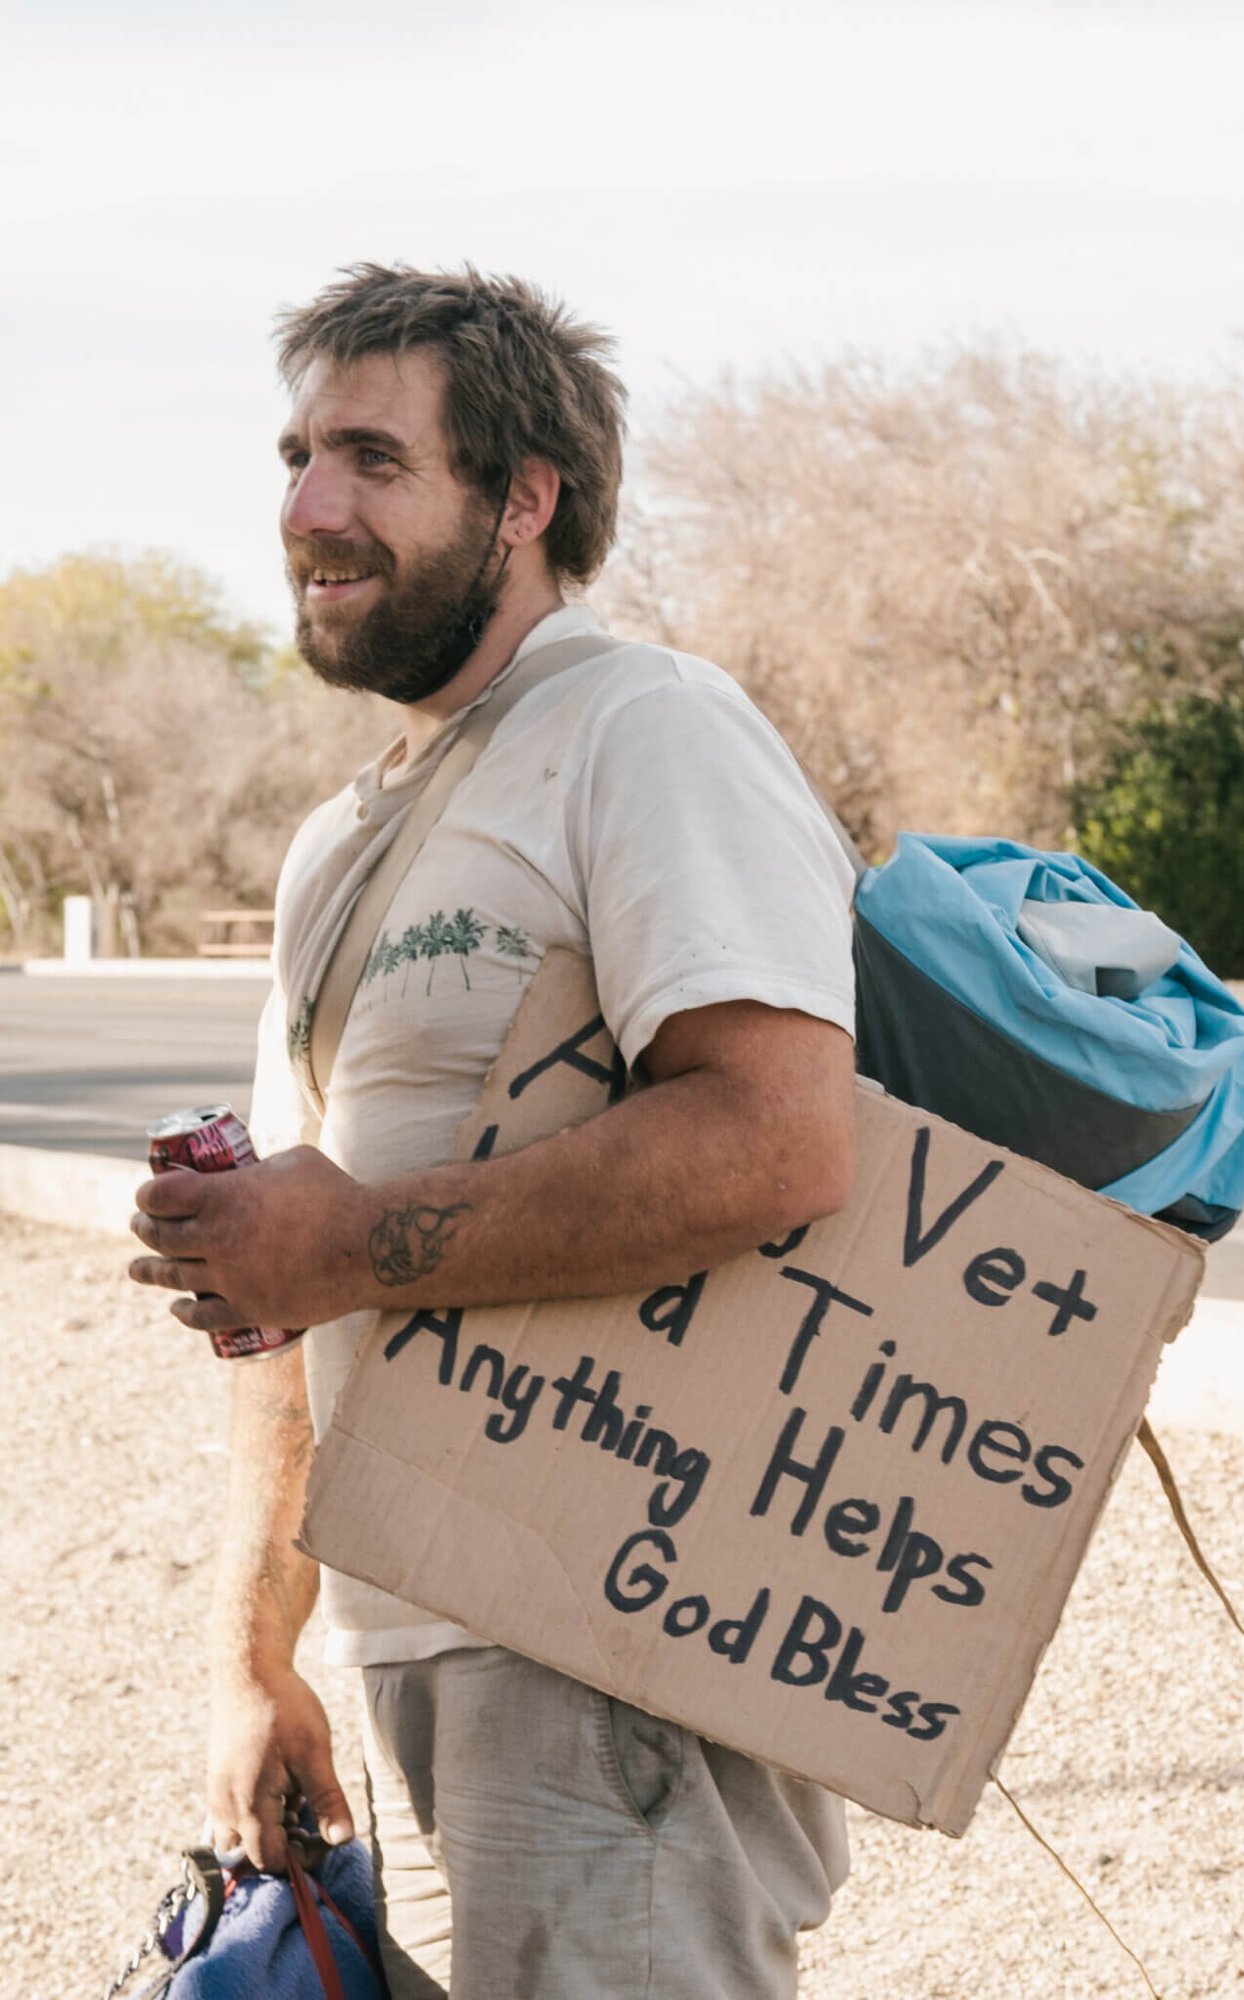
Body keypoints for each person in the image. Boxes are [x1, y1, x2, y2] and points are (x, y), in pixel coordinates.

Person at [129, 263, 859, 2000]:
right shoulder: (341, 842)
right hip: (423, 1623)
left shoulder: (642, 729)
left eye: (375, 459)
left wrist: (344, 1242)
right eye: (300, 454)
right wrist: (255, 1653)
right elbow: (283, 1285)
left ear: (523, 499)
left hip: (617, 1635)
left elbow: (777, 1137)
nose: (310, 507)